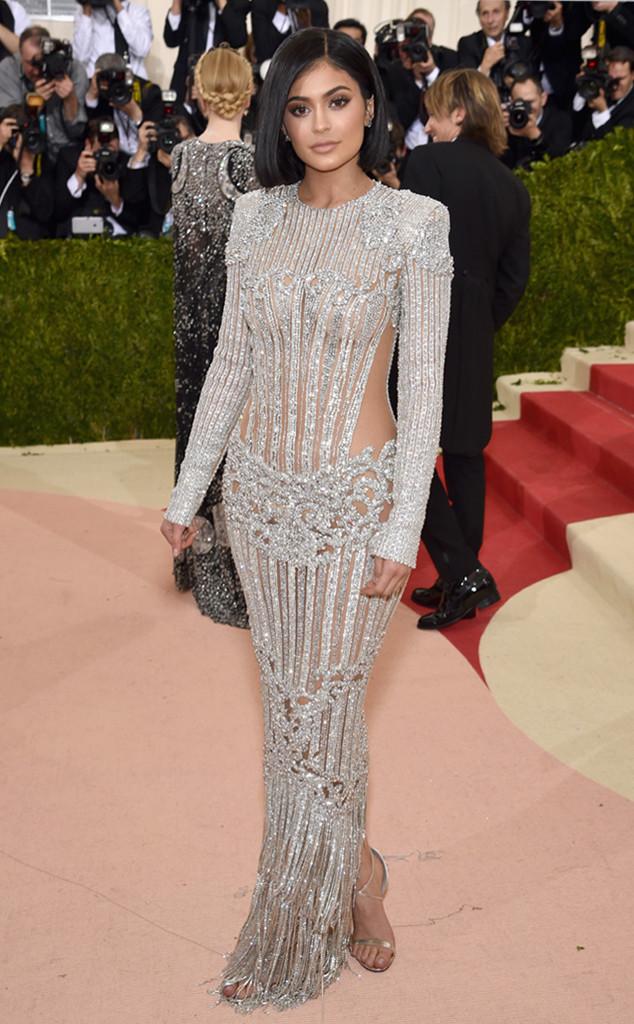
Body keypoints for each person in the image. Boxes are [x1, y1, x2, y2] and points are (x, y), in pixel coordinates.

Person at [160, 26, 451, 1010]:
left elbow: (424, 391)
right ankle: (355, 868)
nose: (320, 123)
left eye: (337, 100)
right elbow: (229, 365)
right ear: (278, 121)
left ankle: (302, 909)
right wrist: (189, 494)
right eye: (298, 106)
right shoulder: (255, 219)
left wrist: (401, 529)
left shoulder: (414, 224)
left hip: (355, 507)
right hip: (259, 504)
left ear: (370, 106)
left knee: (322, 710)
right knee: (292, 713)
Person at [403, 68, 530, 629]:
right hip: (475, 333)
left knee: (403, 451)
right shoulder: (513, 187)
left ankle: (461, 571)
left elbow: (408, 251)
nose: (428, 125)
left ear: (458, 112)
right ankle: (463, 575)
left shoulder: (426, 163)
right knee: (465, 455)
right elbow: (514, 281)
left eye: (434, 113)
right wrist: (478, 322)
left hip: (424, 326)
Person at [169, 44, 256, 625]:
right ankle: (228, 570)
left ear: (198, 93)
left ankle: (192, 558)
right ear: (249, 94)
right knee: (232, 436)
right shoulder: (247, 164)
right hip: (233, 325)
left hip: (187, 323)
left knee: (196, 427)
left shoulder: (179, 157)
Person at [0, 26, 88, 163]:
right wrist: (34, 103)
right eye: (31, 63)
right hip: (26, 152)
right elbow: (9, 127)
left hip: (66, 153)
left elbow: (77, 132)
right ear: (20, 55)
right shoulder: (8, 69)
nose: (36, 70)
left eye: (41, 62)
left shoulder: (73, 69)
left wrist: (70, 99)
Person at [54, 116, 147, 235]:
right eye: (102, 141)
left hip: (117, 236)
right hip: (77, 233)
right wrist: (79, 176)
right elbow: (58, 214)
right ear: (88, 144)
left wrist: (115, 201)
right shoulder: (70, 159)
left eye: (112, 138)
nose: (107, 145)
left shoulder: (126, 165)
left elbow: (139, 220)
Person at [385, 7, 458, 150]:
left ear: (430, 38)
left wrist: (431, 73)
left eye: (423, 30)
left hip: (443, 148)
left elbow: (453, 104)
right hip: (408, 150)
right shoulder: (395, 69)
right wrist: (417, 79)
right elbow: (400, 117)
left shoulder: (449, 59)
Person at [163, 0, 249, 102]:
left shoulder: (236, 3)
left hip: (220, 81)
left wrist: (221, 4)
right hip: (185, 80)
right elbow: (171, 40)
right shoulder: (189, 4)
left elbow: (238, 39)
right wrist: (177, 3)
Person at [0, 101, 54, 237]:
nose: (16, 136)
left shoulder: (39, 160)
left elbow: (45, 213)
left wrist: (27, 170)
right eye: (12, 128)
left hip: (27, 241)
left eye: (21, 131)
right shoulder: (3, 159)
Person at [502, 71, 572, 169]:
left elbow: (558, 162)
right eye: (519, 102)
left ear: (543, 99)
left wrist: (535, 135)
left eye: (529, 102)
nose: (525, 108)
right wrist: (498, 132)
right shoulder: (509, 123)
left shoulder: (560, 121)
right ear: (511, 101)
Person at [458, 0, 533, 88]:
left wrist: (517, 83)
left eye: (496, 12)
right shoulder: (468, 44)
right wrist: (484, 67)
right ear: (479, 17)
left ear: (507, 13)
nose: (490, 20)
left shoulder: (523, 43)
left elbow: (534, 84)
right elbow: (465, 89)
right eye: (485, 13)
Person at [72, 0, 153, 79]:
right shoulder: (83, 13)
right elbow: (80, 58)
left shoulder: (137, 12)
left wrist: (119, 9)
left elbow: (142, 49)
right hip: (98, 82)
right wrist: (86, 11)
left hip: (132, 81)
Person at [578, 44, 634, 139]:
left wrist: (602, 111)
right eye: (610, 79)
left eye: (620, 79)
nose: (614, 85)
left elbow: (617, 144)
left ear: (632, 75)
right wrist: (584, 83)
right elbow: (575, 127)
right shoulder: (602, 91)